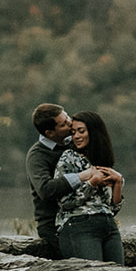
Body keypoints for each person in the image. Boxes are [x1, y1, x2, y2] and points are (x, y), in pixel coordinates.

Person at [25, 103, 112, 257]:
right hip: (54, 224)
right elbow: (45, 190)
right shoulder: (37, 156)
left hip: (86, 216)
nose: (70, 123)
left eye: (67, 117)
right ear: (50, 133)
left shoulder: (74, 143)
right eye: (64, 124)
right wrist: (82, 176)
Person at [54, 109, 125, 263]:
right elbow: (64, 203)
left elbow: (112, 209)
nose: (76, 136)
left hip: (108, 225)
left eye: (81, 131)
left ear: (94, 132)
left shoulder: (101, 160)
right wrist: (92, 183)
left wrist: (118, 182)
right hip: (78, 224)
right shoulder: (68, 158)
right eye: (73, 132)